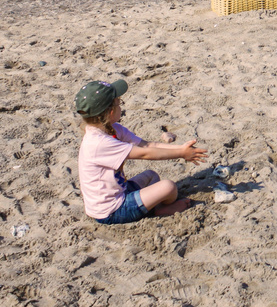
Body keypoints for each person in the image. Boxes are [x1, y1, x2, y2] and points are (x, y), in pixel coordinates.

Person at [76, 79, 208, 224]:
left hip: (120, 191)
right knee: (168, 187)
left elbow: (147, 145)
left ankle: (155, 206)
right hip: (111, 211)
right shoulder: (99, 143)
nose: (121, 107)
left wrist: (182, 148)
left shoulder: (113, 129)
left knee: (151, 175)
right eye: (119, 103)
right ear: (111, 112)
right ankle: (159, 210)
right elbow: (145, 154)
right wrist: (181, 154)